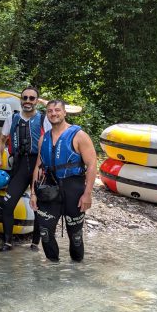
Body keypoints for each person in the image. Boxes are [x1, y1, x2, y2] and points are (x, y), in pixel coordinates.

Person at [29, 100, 97, 262]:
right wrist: (33, 193)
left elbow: (92, 164)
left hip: (73, 188)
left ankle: (77, 269)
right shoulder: (43, 138)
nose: (53, 113)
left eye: (57, 110)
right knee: (45, 231)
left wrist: (87, 194)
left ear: (65, 113)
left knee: (75, 235)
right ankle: (53, 270)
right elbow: (38, 167)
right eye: (50, 111)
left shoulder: (79, 135)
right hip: (49, 188)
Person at [0, 86, 52, 252]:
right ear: (21, 99)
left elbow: (52, 140)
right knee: (7, 203)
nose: (27, 101)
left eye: (32, 98)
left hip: (38, 165)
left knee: (39, 206)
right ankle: (7, 242)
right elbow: (2, 139)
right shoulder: (13, 118)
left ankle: (35, 243)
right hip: (19, 165)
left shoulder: (44, 119)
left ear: (36, 101)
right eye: (25, 98)